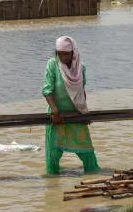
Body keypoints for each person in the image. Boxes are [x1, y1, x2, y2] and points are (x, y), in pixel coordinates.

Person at [42, 36, 101, 175]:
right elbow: (47, 90)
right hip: (57, 115)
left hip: (76, 114)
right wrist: (55, 112)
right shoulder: (52, 64)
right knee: (53, 155)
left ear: (73, 52)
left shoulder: (81, 67)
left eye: (66, 54)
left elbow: (81, 91)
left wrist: (84, 113)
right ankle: (52, 184)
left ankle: (92, 176)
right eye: (59, 53)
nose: (62, 57)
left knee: (87, 153)